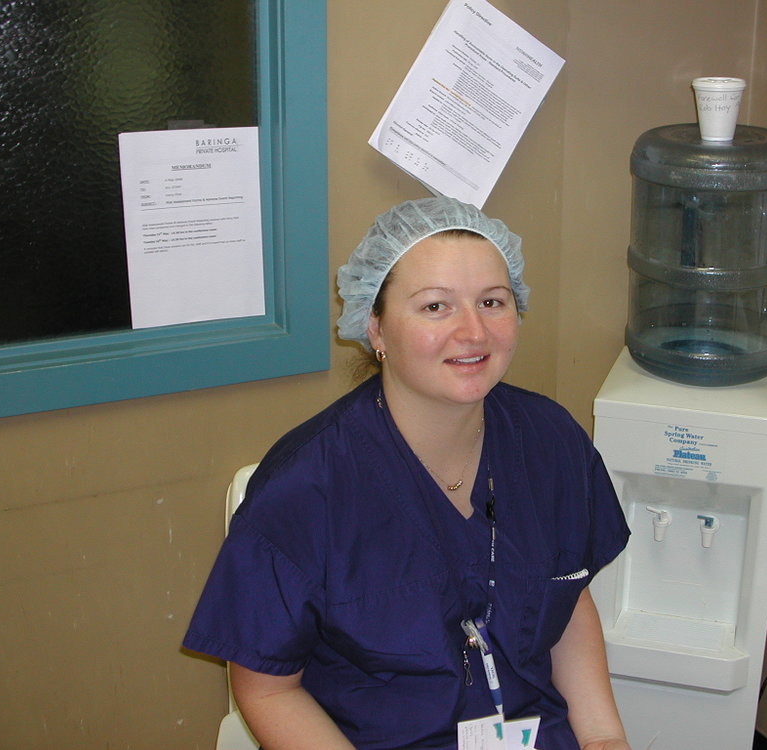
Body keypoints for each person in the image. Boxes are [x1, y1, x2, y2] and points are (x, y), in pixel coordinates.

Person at [183, 197, 632, 750]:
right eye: (436, 307)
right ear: (375, 328)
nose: (474, 332)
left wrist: (605, 738)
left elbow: (567, 596)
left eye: (493, 301)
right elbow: (269, 691)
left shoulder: (549, 441)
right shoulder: (305, 488)